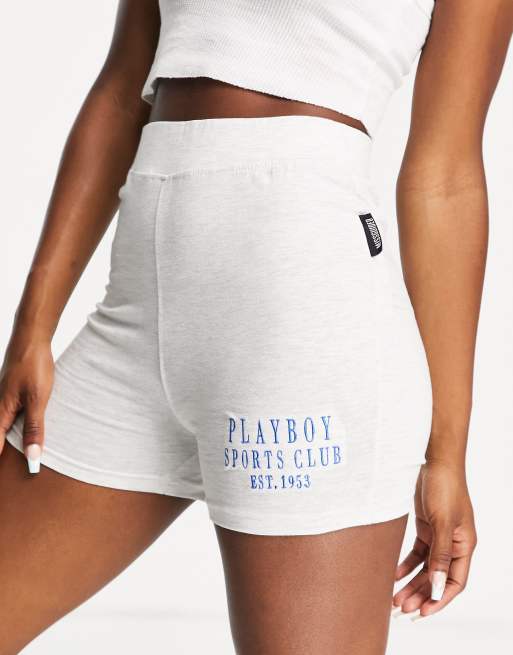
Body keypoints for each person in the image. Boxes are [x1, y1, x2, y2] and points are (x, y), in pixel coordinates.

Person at [0, 1, 511, 653]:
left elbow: (444, 177)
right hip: (134, 322)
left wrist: (446, 452)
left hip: (302, 321)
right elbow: (123, 89)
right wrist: (33, 327)